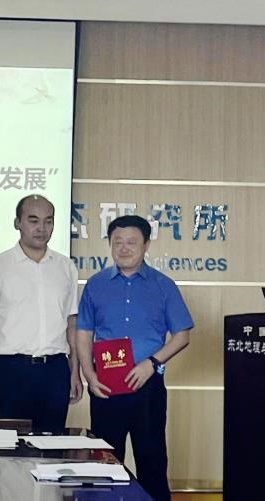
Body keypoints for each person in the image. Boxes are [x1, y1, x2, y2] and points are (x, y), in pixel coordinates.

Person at [76, 214, 194, 501]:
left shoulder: (163, 285)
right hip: (105, 387)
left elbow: (182, 335)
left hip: (148, 387)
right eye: (117, 242)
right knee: (104, 461)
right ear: (110, 244)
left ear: (146, 245)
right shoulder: (96, 285)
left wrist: (151, 364)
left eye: (131, 242)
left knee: (152, 460)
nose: (124, 248)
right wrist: (89, 375)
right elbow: (83, 334)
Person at [0, 194, 83, 433]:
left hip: (55, 370)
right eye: (33, 221)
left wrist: (75, 372)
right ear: (18, 223)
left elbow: (72, 325)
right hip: (11, 370)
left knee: (52, 446)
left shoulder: (66, 267)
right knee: (9, 447)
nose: (41, 228)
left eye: (48, 221)